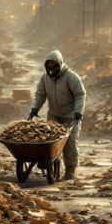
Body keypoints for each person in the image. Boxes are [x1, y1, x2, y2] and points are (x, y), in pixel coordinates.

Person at [29, 50, 86, 180]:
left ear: (60, 64)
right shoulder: (45, 78)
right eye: (49, 67)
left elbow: (80, 95)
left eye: (54, 67)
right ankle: (48, 163)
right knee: (49, 141)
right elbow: (40, 95)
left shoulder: (71, 77)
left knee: (69, 142)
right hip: (54, 114)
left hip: (70, 116)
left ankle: (70, 170)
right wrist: (34, 108)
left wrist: (78, 111)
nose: (52, 70)